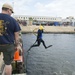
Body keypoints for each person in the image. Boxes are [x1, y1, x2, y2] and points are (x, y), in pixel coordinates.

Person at [0, 3, 21, 75]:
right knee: (8, 64)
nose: (11, 14)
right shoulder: (13, 21)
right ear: (9, 10)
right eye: (11, 12)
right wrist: (17, 45)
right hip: (8, 45)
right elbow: (16, 36)